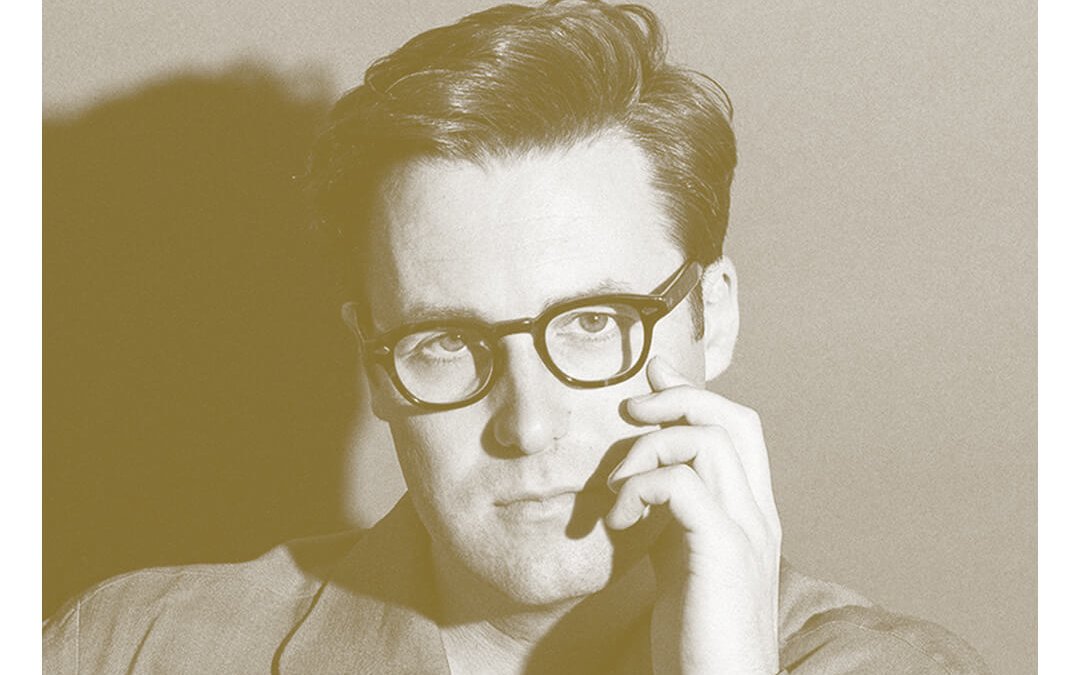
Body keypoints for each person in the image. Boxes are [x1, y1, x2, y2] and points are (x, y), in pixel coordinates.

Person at [43, 1, 990, 672]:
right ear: (372, 363)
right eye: (445, 342)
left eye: (595, 324)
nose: (528, 424)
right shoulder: (129, 649)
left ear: (715, 316)